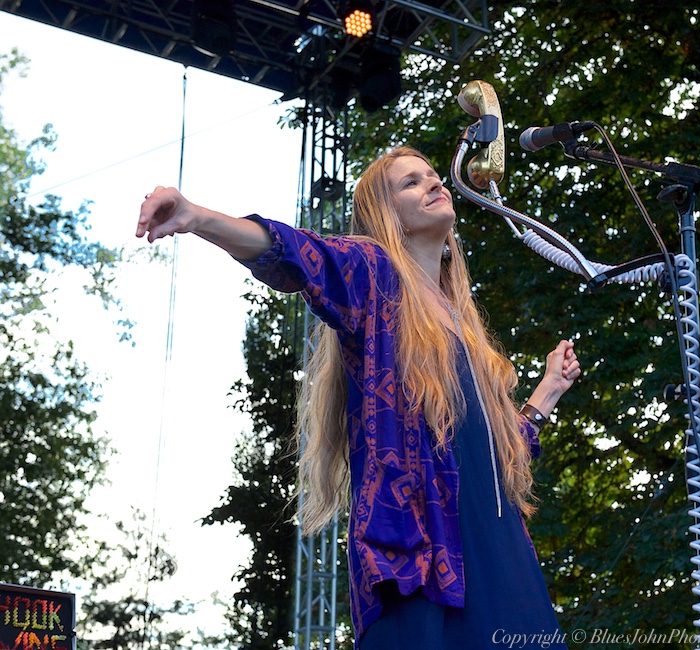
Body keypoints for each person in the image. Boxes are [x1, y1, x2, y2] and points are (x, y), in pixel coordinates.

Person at [136, 147, 580, 649]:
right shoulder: (376, 274)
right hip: (424, 559)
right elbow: (301, 254)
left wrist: (547, 392)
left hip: (506, 558)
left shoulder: (466, 328)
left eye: (433, 176)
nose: (434, 183)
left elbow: (492, 454)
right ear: (386, 215)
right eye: (411, 182)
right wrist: (196, 216)